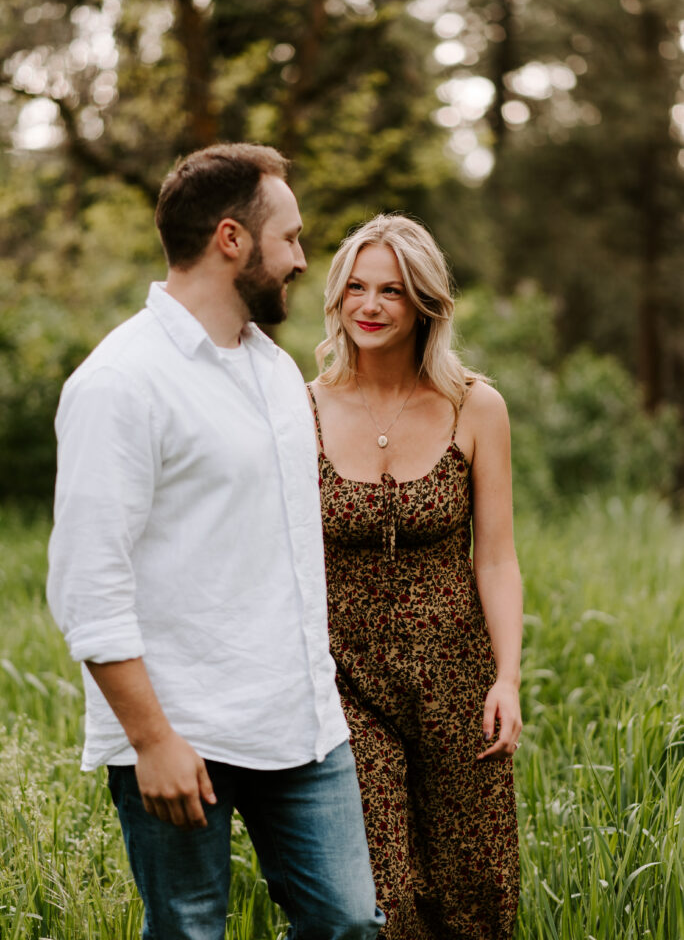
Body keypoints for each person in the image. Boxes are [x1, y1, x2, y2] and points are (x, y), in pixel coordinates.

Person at [46, 143, 385, 940]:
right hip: (179, 730)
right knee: (191, 930)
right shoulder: (119, 382)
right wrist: (152, 740)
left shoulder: (271, 371)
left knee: (348, 925)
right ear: (232, 239)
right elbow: (87, 584)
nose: (303, 259)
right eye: (291, 238)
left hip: (300, 724)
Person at [307, 213, 522, 940]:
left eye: (391, 291)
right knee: (380, 892)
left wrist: (508, 678)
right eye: (356, 288)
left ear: (424, 302)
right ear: (335, 300)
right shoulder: (299, 408)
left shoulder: (475, 405)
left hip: (458, 677)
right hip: (347, 681)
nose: (369, 306)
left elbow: (495, 556)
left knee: (476, 885)